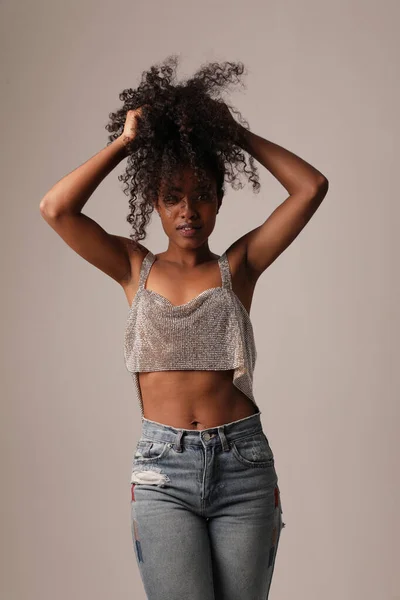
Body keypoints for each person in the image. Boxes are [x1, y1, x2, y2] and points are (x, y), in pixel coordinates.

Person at [40, 56, 329, 599]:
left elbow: (310, 187)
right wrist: (125, 144)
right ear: (154, 202)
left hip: (243, 466)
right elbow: (56, 208)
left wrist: (235, 134)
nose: (188, 210)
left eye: (201, 196)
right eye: (172, 197)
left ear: (219, 201)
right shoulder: (133, 267)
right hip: (161, 473)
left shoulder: (239, 266)